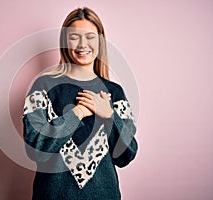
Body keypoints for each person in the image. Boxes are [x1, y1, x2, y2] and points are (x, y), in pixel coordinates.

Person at [23, 7, 138, 200]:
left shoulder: (114, 92)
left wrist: (109, 115)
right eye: (75, 36)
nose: (83, 44)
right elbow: (35, 150)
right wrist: (76, 114)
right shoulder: (42, 86)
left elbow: (126, 154)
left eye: (90, 37)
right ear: (65, 41)